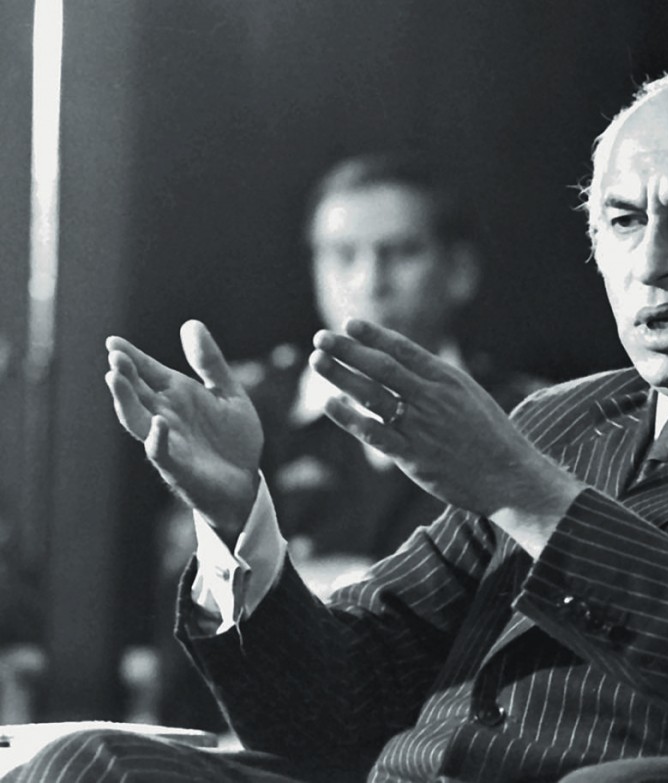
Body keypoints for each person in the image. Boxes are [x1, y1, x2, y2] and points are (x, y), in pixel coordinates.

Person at [8, 66, 668, 783]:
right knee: (85, 761)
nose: (651, 262)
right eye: (623, 221)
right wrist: (237, 521)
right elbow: (330, 714)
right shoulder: (564, 418)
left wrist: (530, 495)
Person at [150, 153, 546, 730]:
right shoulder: (248, 414)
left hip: (459, 738)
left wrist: (313, 587)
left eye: (400, 253)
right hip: (268, 738)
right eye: (342, 255)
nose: (369, 281)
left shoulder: (526, 417)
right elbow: (189, 625)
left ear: (459, 270)